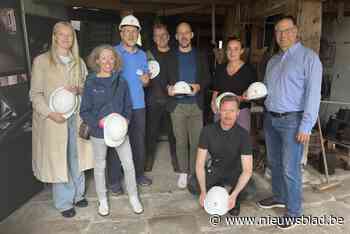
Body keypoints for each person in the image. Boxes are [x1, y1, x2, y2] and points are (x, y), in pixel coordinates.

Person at [256, 16, 322, 229]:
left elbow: (314, 94)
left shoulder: (309, 58)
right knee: (274, 163)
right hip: (271, 118)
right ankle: (278, 196)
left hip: (293, 121)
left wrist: (306, 125)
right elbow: (267, 90)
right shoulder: (273, 61)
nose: (282, 35)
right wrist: (254, 96)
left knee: (289, 167)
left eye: (286, 30)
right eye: (278, 32)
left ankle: (294, 211)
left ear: (296, 31)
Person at [30, 22, 93, 218]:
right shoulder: (42, 61)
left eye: (70, 36)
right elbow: (35, 94)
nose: (66, 39)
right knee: (60, 158)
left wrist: (80, 89)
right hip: (53, 119)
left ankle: (78, 194)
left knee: (77, 155)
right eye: (62, 35)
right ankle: (65, 201)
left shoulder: (79, 62)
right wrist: (50, 113)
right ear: (55, 37)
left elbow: (86, 88)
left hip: (76, 116)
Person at [80, 45, 143, 216]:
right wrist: (99, 123)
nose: (108, 61)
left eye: (111, 58)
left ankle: (133, 197)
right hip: (99, 133)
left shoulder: (121, 81)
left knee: (129, 165)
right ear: (97, 60)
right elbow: (84, 111)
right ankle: (102, 201)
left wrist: (125, 121)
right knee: (100, 166)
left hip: (120, 132)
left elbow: (128, 106)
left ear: (115, 61)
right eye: (104, 58)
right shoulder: (91, 82)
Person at [188, 95, 254, 216]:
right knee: (193, 185)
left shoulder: (244, 135)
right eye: (224, 110)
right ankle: (217, 188)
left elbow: (247, 171)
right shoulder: (207, 131)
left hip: (235, 171)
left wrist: (234, 195)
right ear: (219, 111)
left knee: (250, 190)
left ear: (238, 113)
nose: (228, 114)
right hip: (215, 169)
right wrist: (203, 192)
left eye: (232, 111)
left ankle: (232, 199)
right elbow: (199, 165)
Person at [109, 15, 152, 194]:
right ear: (121, 33)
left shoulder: (143, 54)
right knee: (116, 143)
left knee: (138, 143)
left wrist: (146, 80)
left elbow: (146, 80)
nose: (130, 34)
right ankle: (114, 181)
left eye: (134, 31)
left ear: (138, 34)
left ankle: (139, 175)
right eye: (127, 31)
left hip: (138, 105)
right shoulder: (112, 53)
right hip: (118, 107)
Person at [167, 22, 211, 188]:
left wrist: (199, 86)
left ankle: (194, 172)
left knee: (196, 142)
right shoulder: (170, 56)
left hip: (195, 105)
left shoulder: (200, 55)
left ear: (191, 35)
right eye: (180, 33)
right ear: (177, 37)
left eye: (187, 33)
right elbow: (164, 79)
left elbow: (207, 78)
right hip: (177, 106)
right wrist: (168, 88)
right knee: (180, 142)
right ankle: (184, 173)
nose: (184, 36)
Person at [144, 23, 178, 172]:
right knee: (151, 131)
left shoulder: (176, 54)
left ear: (169, 37)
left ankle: (176, 159)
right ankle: (149, 158)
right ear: (154, 38)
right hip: (153, 99)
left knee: (174, 132)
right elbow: (142, 75)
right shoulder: (148, 54)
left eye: (164, 35)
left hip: (172, 99)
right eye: (158, 36)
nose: (161, 38)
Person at [211, 37, 257, 132]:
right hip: (221, 111)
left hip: (241, 112)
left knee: (241, 142)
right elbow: (216, 89)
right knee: (219, 141)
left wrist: (242, 98)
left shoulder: (249, 70)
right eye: (229, 49)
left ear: (242, 51)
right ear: (226, 51)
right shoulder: (220, 68)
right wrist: (213, 101)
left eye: (236, 49)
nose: (232, 52)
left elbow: (254, 93)